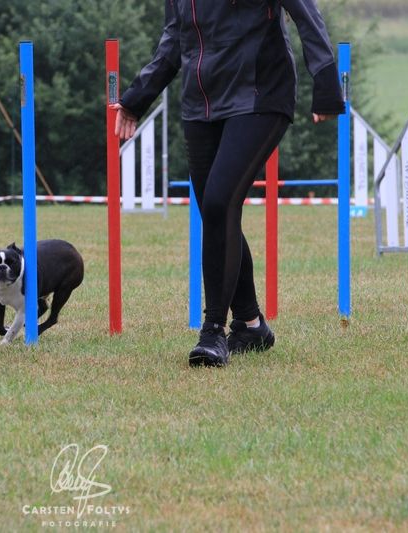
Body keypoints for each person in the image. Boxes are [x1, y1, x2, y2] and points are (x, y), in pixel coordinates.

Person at [112, 0, 344, 367]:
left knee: (220, 203)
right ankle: (251, 325)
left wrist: (326, 80)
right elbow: (174, 39)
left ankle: (212, 331)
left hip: (260, 93)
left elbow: (305, 14)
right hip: (200, 104)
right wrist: (137, 98)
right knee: (216, 212)